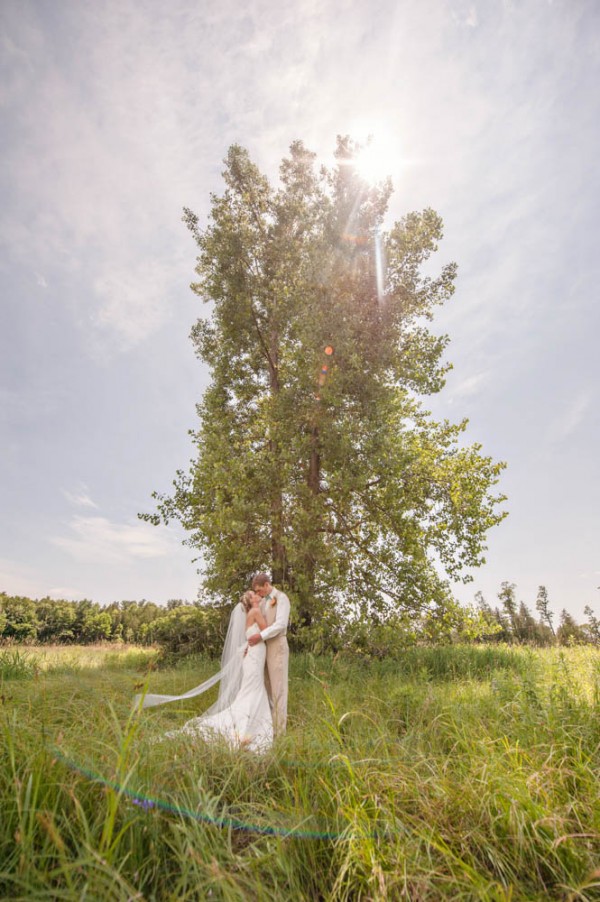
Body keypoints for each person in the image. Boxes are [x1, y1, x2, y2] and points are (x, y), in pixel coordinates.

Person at [136, 590, 273, 752]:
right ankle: (249, 724)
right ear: (251, 600)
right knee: (254, 687)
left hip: (252, 654)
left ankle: (253, 719)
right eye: (254, 594)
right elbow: (267, 631)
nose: (258, 594)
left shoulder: (251, 613)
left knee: (251, 688)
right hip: (255, 654)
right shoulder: (256, 611)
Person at [247, 573, 290, 736]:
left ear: (266, 585)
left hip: (277, 645)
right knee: (266, 688)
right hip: (262, 648)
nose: (258, 594)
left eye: (259, 590)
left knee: (279, 690)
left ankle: (279, 733)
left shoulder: (281, 598)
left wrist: (261, 636)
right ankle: (267, 730)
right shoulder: (263, 602)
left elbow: (280, 625)